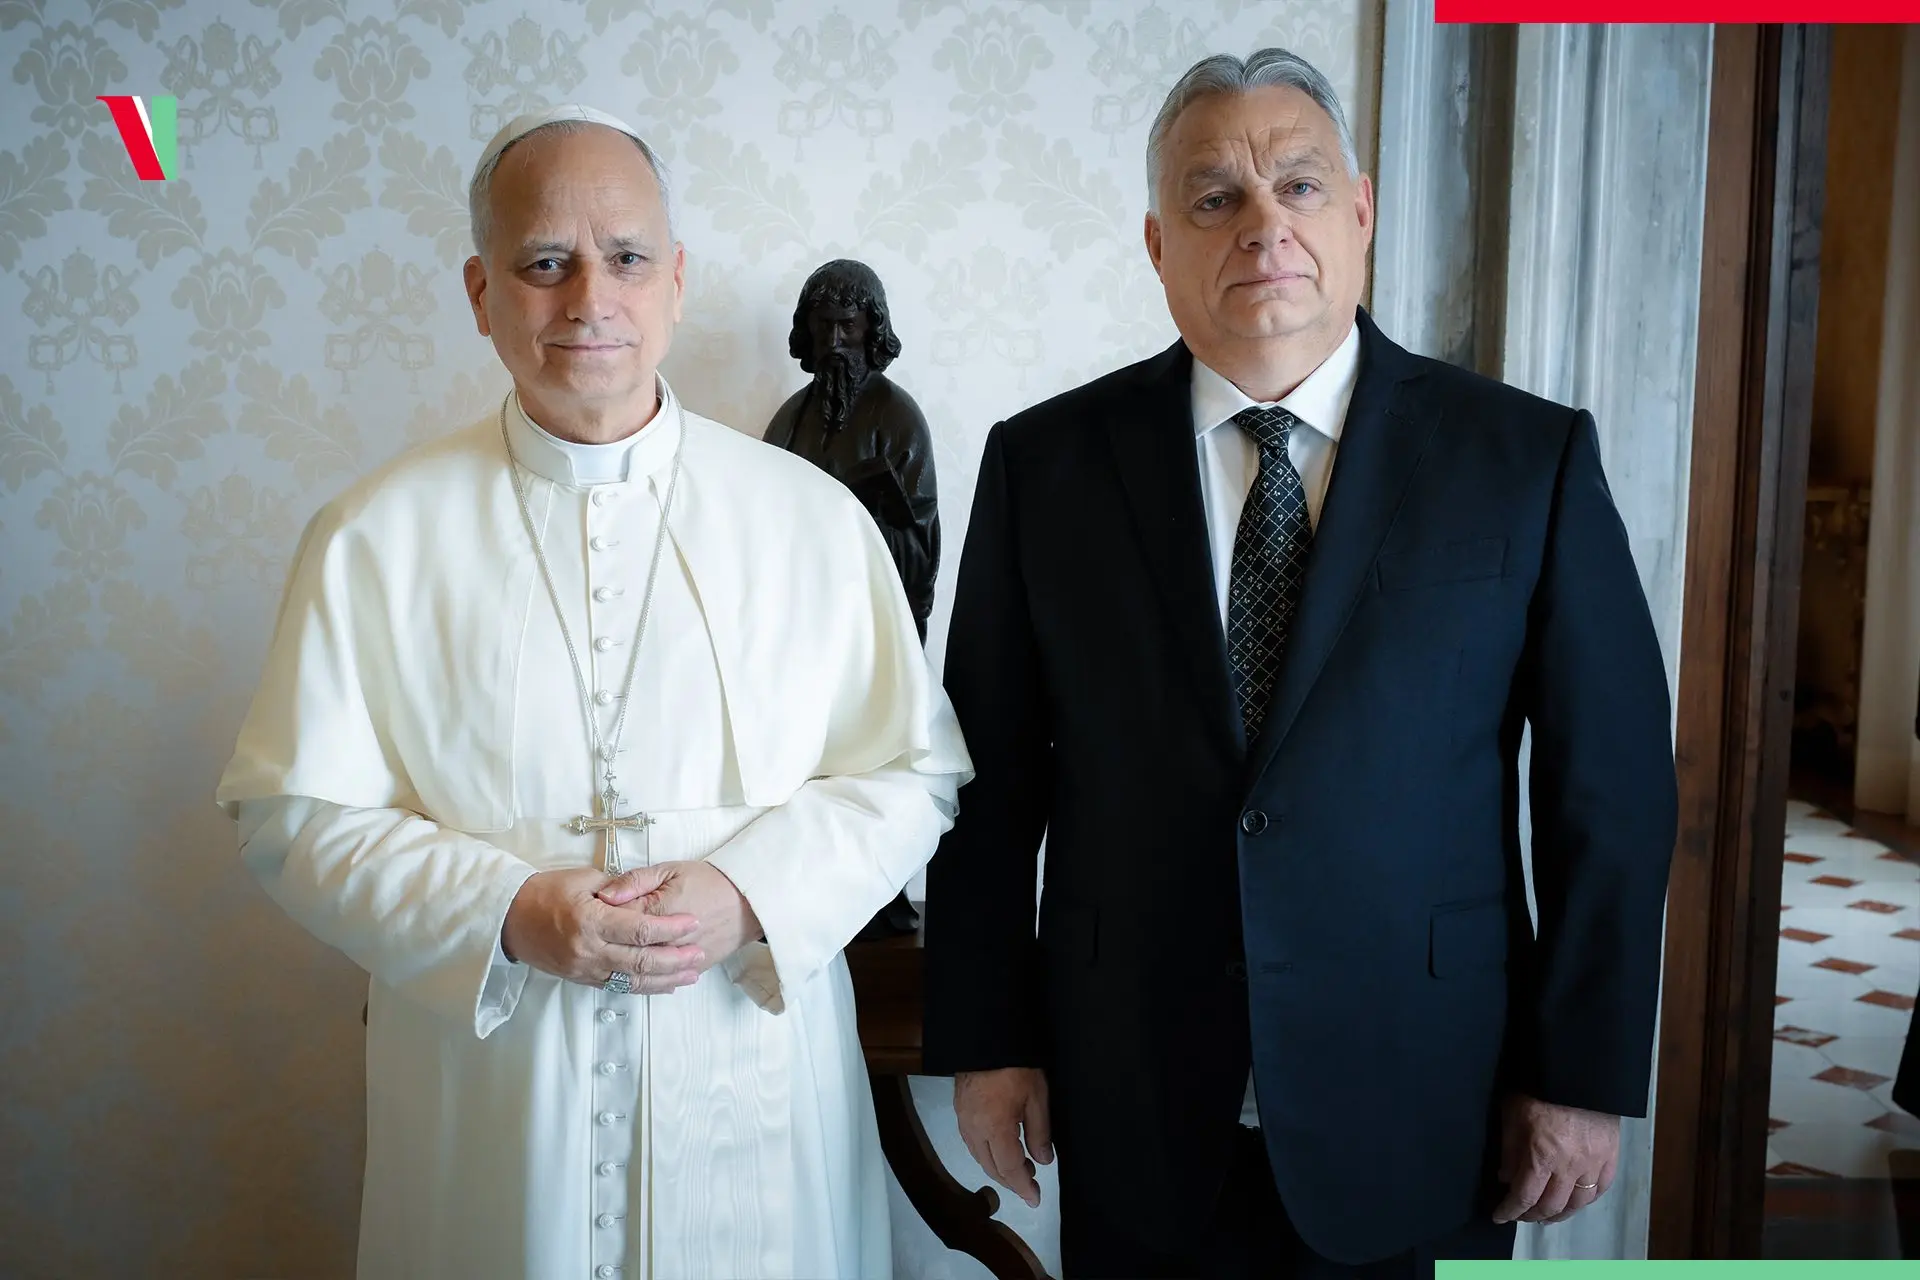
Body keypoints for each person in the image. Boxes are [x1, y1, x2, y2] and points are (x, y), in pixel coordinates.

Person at [922, 49, 1679, 1279]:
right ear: (1158, 243)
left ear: (1363, 213)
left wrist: (1581, 1071)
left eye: (1301, 185)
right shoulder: (1043, 465)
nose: (1264, 224)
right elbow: (987, 782)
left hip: (1428, 1090)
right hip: (1135, 1088)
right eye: (1215, 196)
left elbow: (1612, 790)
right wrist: (987, 1037)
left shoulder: (1522, 458)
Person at [216, 105, 969, 1280]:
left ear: (676, 280)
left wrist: (747, 891)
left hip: (754, 1076)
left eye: (624, 259)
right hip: (494, 1104)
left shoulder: (812, 521)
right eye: (543, 263)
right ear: (480, 290)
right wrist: (509, 910)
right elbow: (290, 810)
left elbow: (914, 770)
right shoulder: (374, 535)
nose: (588, 301)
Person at [764, 258, 940, 643]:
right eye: (824, 326)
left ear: (871, 329)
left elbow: (920, 552)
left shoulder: (899, 419)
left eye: (847, 326)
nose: (834, 343)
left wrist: (862, 523)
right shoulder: (788, 421)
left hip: (872, 626)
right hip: (801, 620)